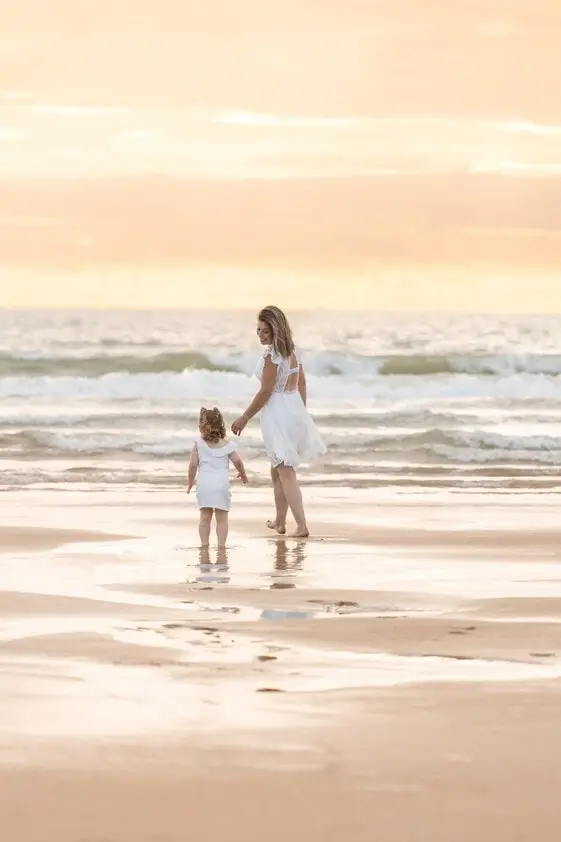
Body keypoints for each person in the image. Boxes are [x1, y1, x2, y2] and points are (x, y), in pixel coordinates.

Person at [231, 306, 326, 538]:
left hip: (277, 413)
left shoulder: (272, 355)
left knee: (285, 471)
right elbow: (301, 383)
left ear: (276, 330)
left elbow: (265, 392)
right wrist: (301, 411)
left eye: (265, 331)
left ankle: (302, 525)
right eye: (258, 330)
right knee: (277, 470)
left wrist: (244, 417)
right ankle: (280, 522)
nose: (260, 335)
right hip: (293, 409)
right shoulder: (293, 351)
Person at [188, 407, 248, 548]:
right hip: (221, 485)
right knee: (222, 519)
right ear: (221, 424)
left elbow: (192, 466)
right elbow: (237, 461)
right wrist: (243, 473)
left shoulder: (198, 444)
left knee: (205, 517)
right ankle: (221, 545)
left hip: (204, 484)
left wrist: (190, 483)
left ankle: (204, 544)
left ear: (201, 425)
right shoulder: (226, 445)